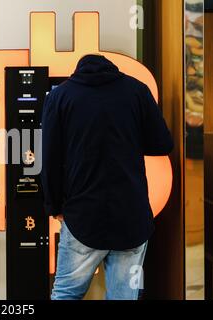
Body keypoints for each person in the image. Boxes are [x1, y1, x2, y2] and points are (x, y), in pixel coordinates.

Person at [41, 54, 173, 300]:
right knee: (124, 297)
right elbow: (162, 143)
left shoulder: (60, 96)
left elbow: (49, 158)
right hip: (131, 217)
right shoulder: (137, 91)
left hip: (82, 215)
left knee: (65, 294)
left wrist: (54, 206)